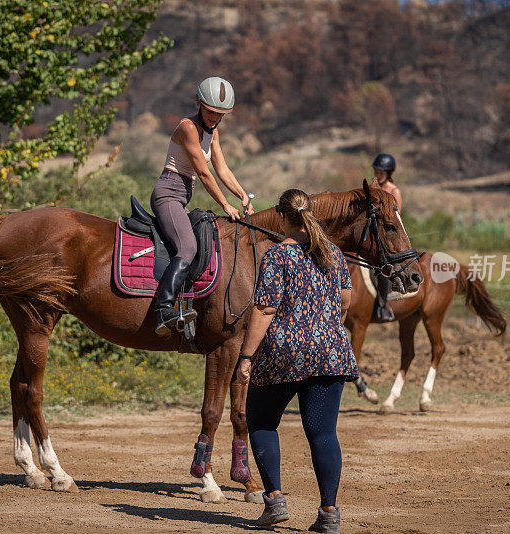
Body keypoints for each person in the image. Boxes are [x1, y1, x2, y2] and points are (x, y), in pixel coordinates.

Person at [236, 189, 358, 533]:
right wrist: (325, 328)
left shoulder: (277, 256)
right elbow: (345, 300)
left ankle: (274, 501)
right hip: (331, 351)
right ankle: (329, 514)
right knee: (322, 433)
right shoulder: (333, 252)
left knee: (259, 421)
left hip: (285, 353)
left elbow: (264, 309)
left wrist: (246, 356)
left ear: (280, 215)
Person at [151, 77, 254, 335]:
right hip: (167, 194)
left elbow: (221, 168)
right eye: (210, 111)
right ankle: (162, 310)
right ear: (199, 104)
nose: (214, 117)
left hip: (181, 197)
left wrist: (242, 195)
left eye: (220, 114)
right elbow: (204, 172)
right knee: (188, 246)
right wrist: (225, 204)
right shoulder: (187, 127)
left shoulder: (214, 132)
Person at [370, 153, 402, 321]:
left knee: (382, 267)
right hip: (372, 235)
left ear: (388, 173)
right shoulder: (374, 188)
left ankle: (382, 306)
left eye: (381, 172)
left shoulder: (393, 191)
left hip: (389, 237)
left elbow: (396, 218)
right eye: (376, 171)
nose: (378, 175)